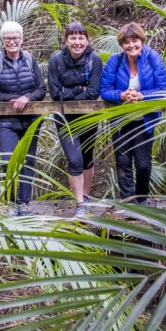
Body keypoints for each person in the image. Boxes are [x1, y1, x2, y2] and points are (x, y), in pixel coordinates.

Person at [100, 22, 166, 205]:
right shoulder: (115, 61)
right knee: (123, 162)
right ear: (122, 44)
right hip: (121, 121)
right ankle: (128, 203)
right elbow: (105, 90)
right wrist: (121, 95)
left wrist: (142, 96)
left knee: (143, 164)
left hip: (144, 121)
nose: (131, 45)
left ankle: (142, 199)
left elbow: (162, 89)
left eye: (135, 40)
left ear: (142, 40)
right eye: (127, 42)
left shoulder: (153, 58)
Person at [0, 21, 47, 216]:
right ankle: (11, 204)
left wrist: (26, 98)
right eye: (8, 38)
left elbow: (41, 89)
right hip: (6, 122)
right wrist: (13, 100)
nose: (12, 42)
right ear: (2, 40)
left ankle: (25, 203)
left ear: (21, 39)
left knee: (28, 160)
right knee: (8, 160)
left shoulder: (30, 60)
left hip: (31, 120)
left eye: (15, 38)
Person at [48, 23, 103, 217]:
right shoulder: (56, 61)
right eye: (73, 38)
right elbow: (55, 94)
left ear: (87, 41)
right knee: (74, 159)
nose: (77, 42)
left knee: (87, 158)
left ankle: (85, 197)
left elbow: (95, 92)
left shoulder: (94, 60)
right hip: (65, 118)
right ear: (66, 40)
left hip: (89, 117)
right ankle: (79, 203)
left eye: (81, 38)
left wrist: (69, 94)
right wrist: (81, 90)